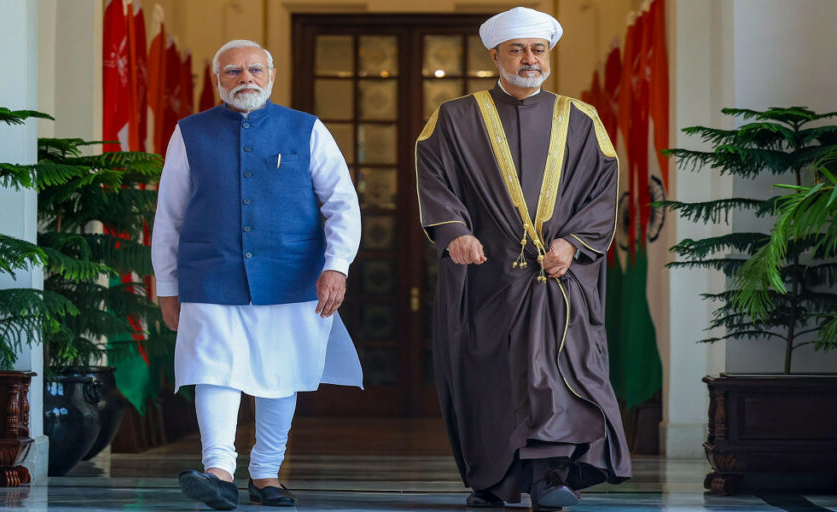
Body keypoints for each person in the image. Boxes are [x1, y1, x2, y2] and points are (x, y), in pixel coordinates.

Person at [415, 7, 630, 511]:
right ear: (496, 56)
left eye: (538, 49)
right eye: (517, 50)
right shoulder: (455, 118)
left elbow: (602, 192)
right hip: (487, 277)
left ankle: (551, 477)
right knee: (492, 384)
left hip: (560, 277)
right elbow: (435, 179)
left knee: (553, 374)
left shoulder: (581, 119)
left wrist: (571, 243)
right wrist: (455, 233)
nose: (530, 58)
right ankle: (495, 481)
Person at [151, 39, 363, 510]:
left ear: (271, 76)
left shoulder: (307, 129)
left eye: (254, 69)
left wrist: (336, 266)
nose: (244, 78)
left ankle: (266, 473)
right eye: (232, 71)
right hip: (210, 273)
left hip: (291, 275)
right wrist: (166, 286)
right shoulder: (189, 133)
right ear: (217, 80)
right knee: (212, 370)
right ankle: (218, 472)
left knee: (280, 373)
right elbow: (169, 216)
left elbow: (342, 204)